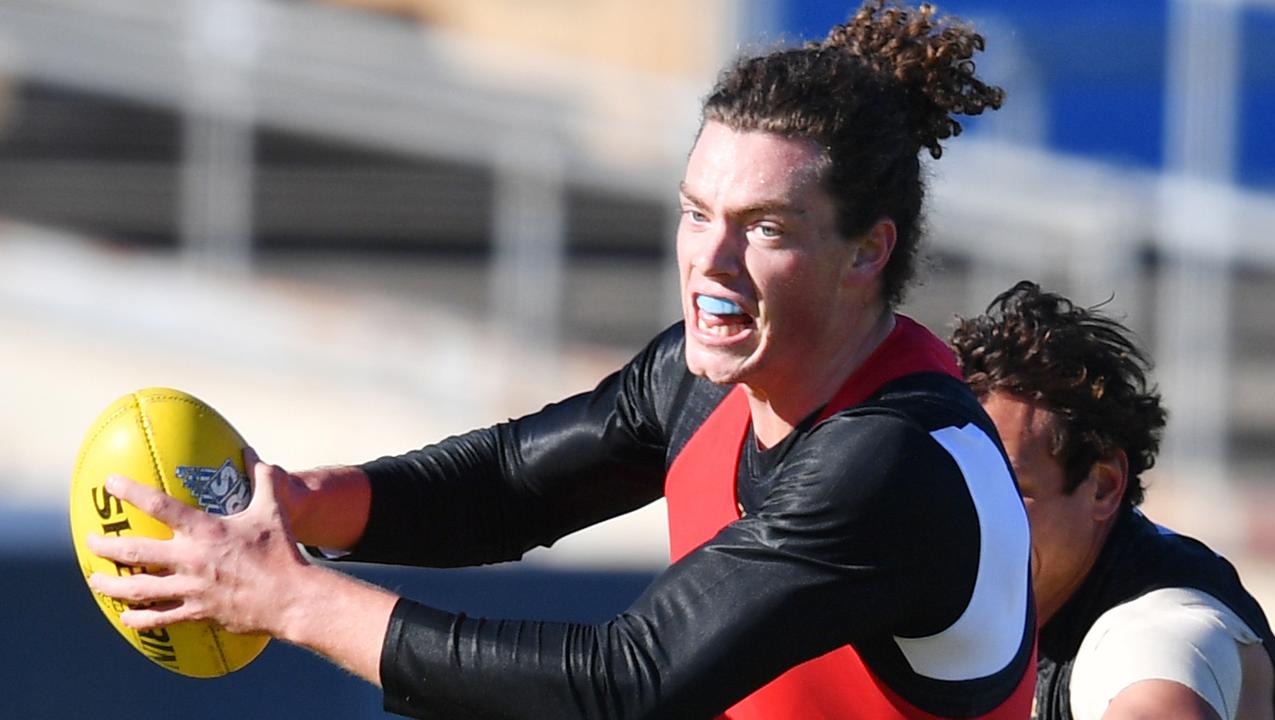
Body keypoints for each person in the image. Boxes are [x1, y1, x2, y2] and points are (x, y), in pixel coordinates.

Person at [85, 2, 1036, 717]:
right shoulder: (708, 377)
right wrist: (303, 505)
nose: (709, 258)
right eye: (695, 211)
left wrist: (289, 599)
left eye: (765, 227)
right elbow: (509, 486)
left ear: (868, 252)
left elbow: (628, 686)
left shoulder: (893, 460)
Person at [950, 280, 1275, 720]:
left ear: (1103, 486)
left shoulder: (1159, 632)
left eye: (1005, 487)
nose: (967, 519)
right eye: (956, 483)